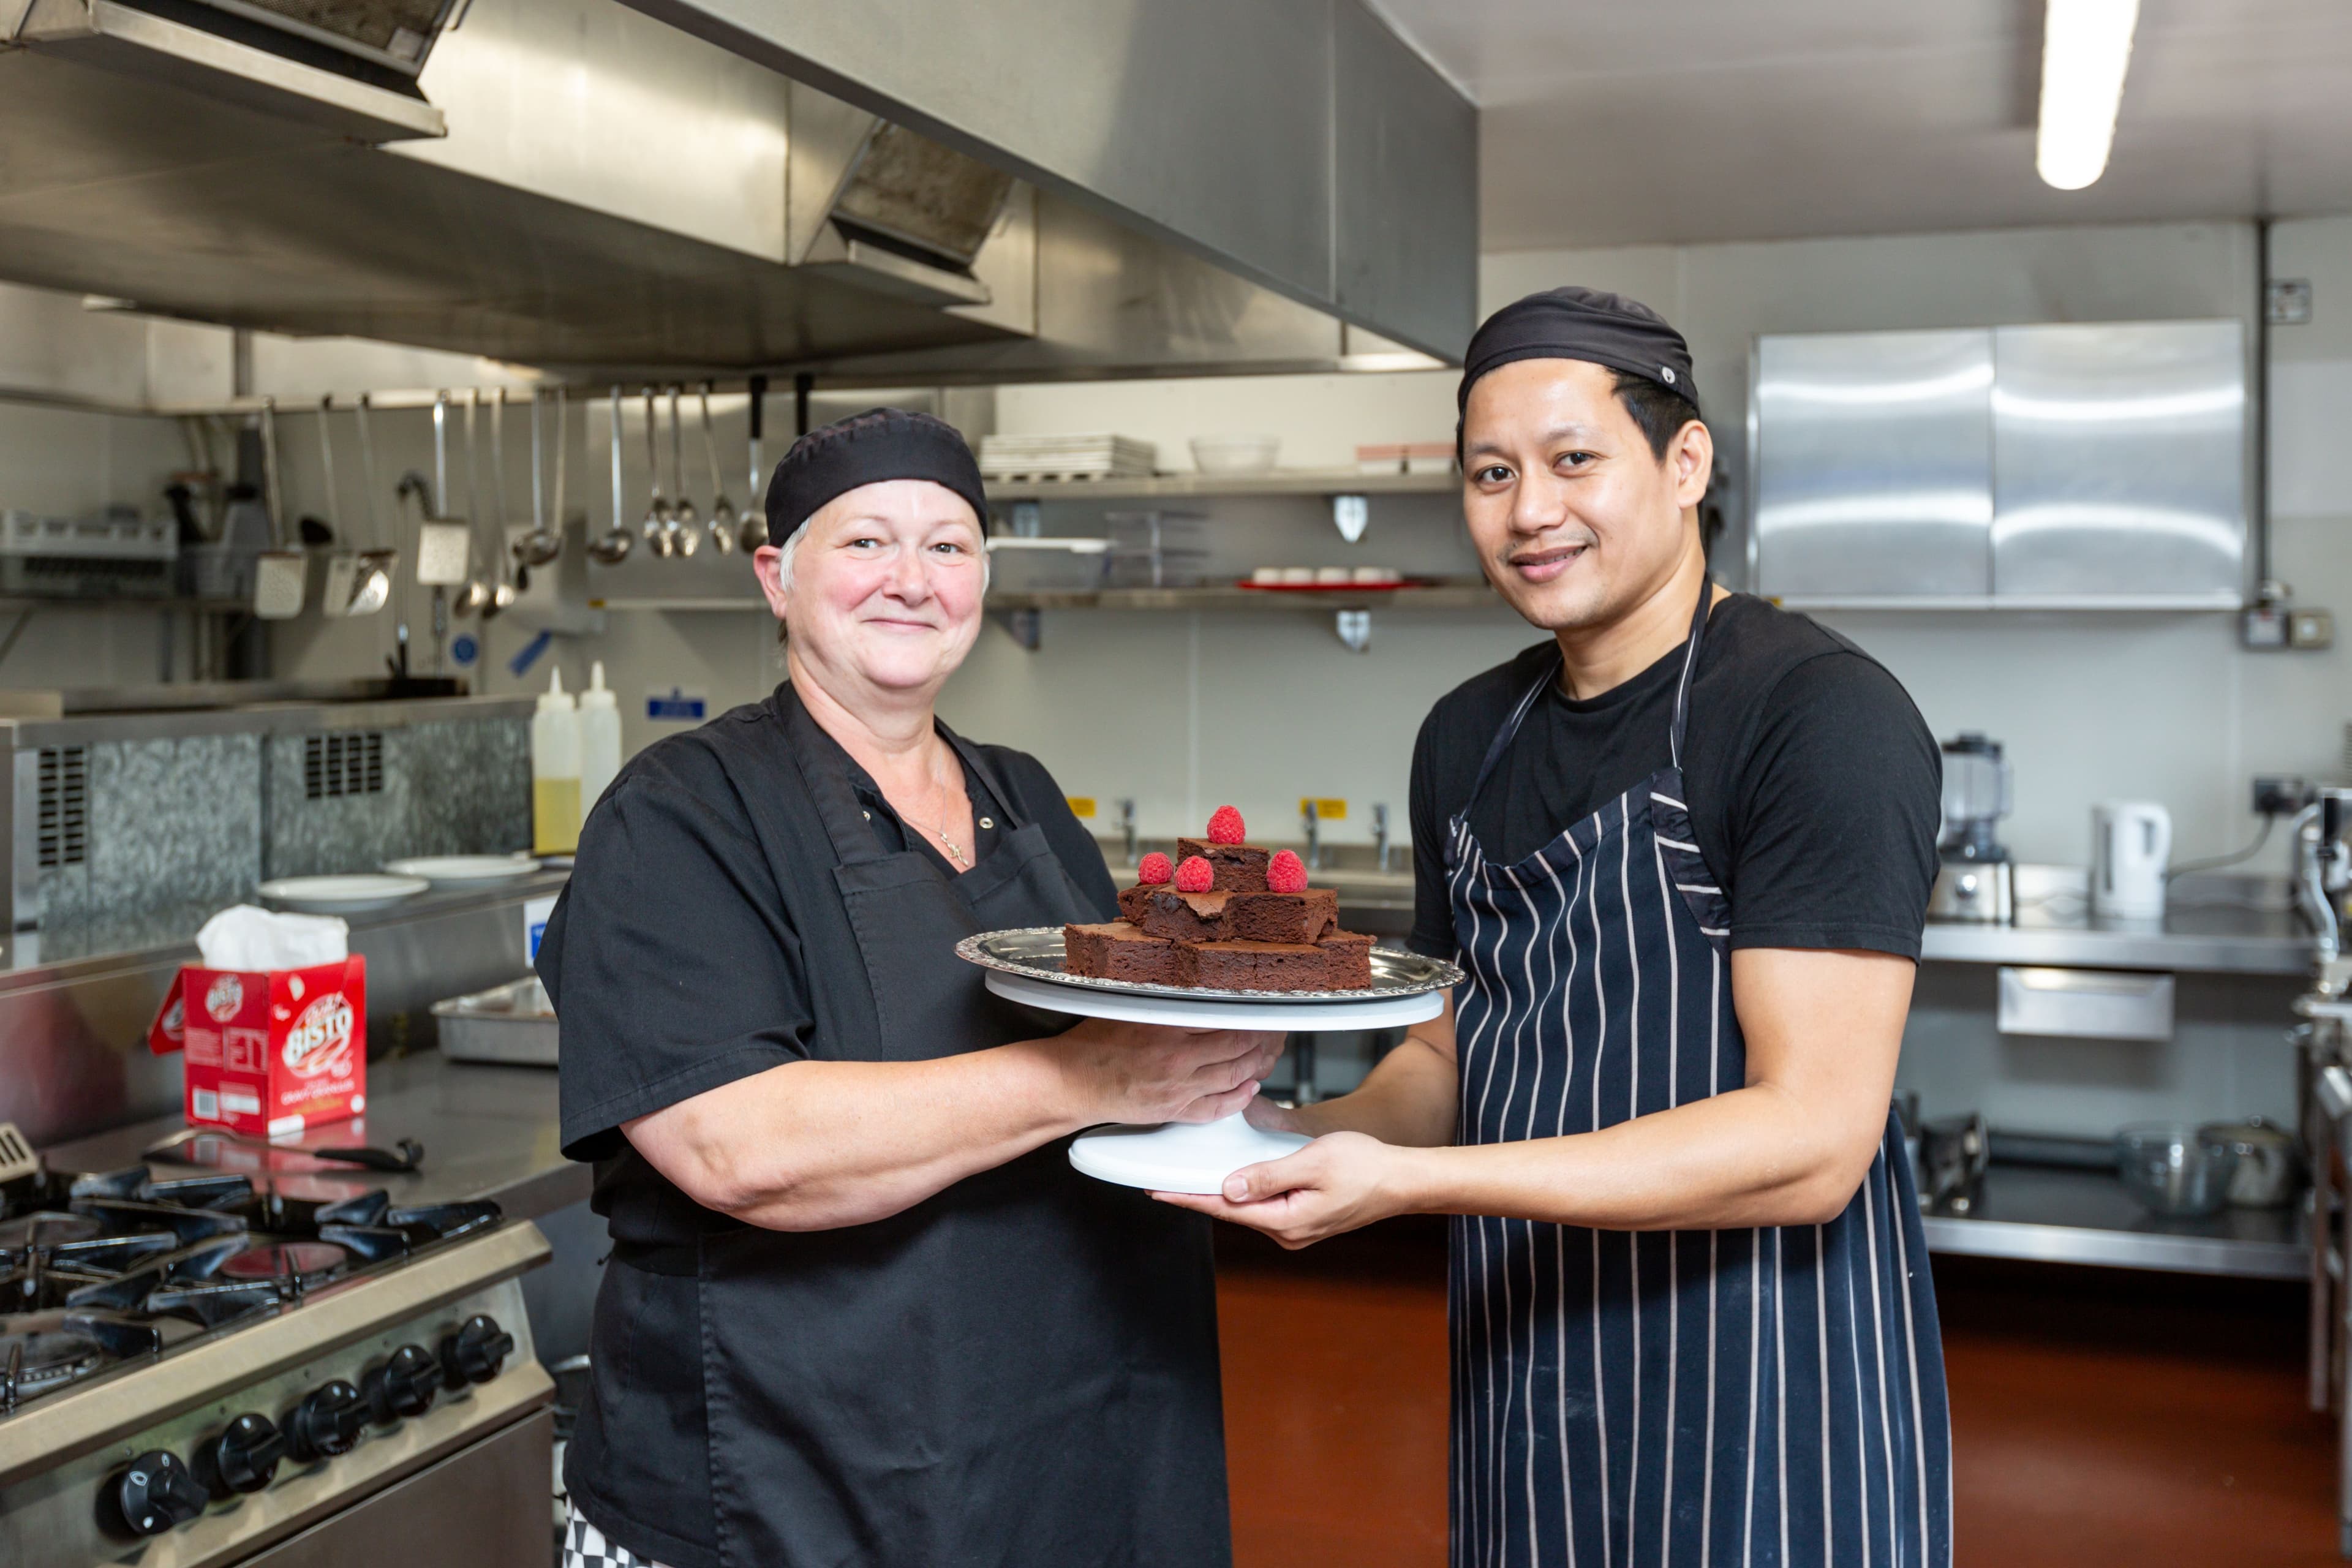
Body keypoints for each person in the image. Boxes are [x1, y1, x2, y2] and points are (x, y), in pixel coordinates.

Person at [1162, 289, 1953, 1566]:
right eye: (1491, 472)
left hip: (1766, 1381)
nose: (1530, 510)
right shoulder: (1469, 737)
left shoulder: (1815, 714)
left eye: (1574, 458)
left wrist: (1413, 1185)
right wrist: (1280, 1144)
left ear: (1683, 461)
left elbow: (1814, 1141)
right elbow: (1445, 1058)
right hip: (1533, 1366)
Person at [538, 407, 1280, 1568]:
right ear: (777, 578)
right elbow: (736, 1147)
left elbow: (1130, 1073)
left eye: (948, 547)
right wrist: (1093, 1074)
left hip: (1058, 1450)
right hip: (786, 1484)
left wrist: (1242, 1108)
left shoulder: (1023, 795)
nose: (912, 580)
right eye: (867, 543)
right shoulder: (681, 812)